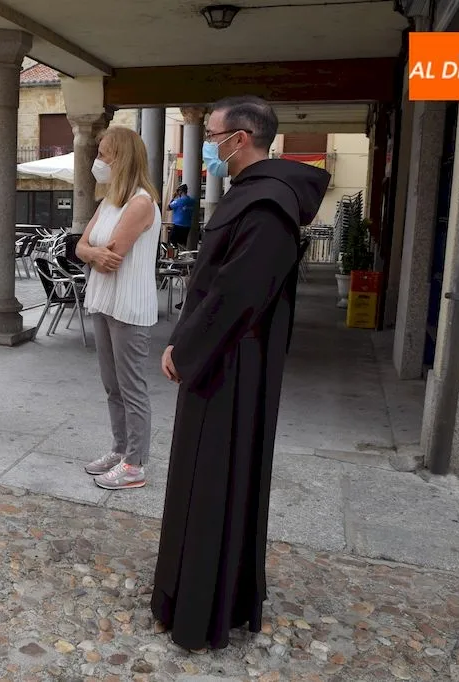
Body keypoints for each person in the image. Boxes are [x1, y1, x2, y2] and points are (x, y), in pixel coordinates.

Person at [151, 96, 329, 650]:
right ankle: (186, 592)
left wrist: (186, 348)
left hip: (232, 364)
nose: (206, 146)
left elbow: (237, 294)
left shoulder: (268, 205)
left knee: (217, 481)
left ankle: (205, 608)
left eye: (212, 135)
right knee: (199, 478)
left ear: (242, 137)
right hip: (220, 358)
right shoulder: (253, 196)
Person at [75, 126, 161, 490]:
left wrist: (91, 253)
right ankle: (120, 448)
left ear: (122, 158)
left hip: (128, 304)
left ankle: (135, 464)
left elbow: (114, 254)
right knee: (112, 385)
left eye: (105, 153)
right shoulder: (109, 201)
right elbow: (80, 245)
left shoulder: (141, 202)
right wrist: (92, 252)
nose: (99, 160)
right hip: (104, 301)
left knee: (131, 387)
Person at [167, 184, 196, 248]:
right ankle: (182, 256)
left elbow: (168, 208)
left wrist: (173, 198)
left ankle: (175, 256)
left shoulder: (178, 201)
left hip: (178, 225)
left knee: (172, 242)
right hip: (187, 225)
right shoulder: (192, 201)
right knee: (182, 243)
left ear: (180, 191)